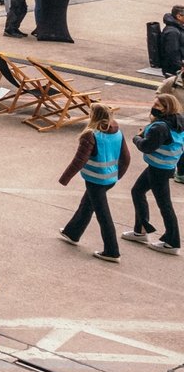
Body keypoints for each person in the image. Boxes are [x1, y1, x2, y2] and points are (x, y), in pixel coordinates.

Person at [57, 102, 123, 261]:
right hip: (109, 178)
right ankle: (72, 232)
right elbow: (126, 158)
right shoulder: (117, 132)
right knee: (87, 204)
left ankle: (112, 251)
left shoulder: (90, 135)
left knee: (103, 215)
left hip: (96, 179)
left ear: (94, 116)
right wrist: (116, 176)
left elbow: (79, 160)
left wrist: (64, 178)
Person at [126, 92, 184, 254]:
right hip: (164, 167)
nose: (153, 108)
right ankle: (140, 230)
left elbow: (146, 147)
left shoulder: (159, 127)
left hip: (159, 169)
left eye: (157, 105)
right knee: (137, 191)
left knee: (165, 204)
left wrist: (137, 137)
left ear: (166, 108)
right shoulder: (178, 120)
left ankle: (172, 242)